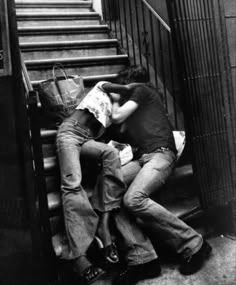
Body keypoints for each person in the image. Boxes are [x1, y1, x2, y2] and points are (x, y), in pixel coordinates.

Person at [109, 65, 212, 277]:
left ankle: (194, 244)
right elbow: (120, 128)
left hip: (161, 154)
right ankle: (143, 259)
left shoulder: (143, 90)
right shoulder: (138, 103)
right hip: (143, 158)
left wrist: (115, 98)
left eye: (123, 84)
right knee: (108, 192)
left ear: (130, 81)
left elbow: (117, 117)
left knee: (133, 199)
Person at [56, 80, 160, 285]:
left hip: (86, 139)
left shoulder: (115, 110)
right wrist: (137, 87)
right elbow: (123, 89)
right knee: (72, 185)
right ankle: (79, 257)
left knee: (111, 154)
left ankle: (104, 225)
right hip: (69, 133)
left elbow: (119, 126)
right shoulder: (103, 86)